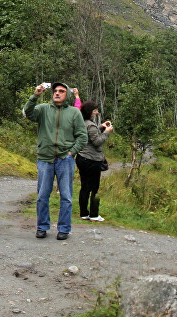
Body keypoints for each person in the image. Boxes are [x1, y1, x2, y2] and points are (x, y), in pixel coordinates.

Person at [24, 81, 88, 240]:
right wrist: (35, 96)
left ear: (67, 95)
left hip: (65, 159)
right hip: (45, 158)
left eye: (61, 91)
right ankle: (42, 227)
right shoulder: (43, 109)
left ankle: (64, 229)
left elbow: (82, 136)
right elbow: (28, 113)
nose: (57, 93)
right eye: (55, 91)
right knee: (42, 195)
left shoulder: (74, 112)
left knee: (66, 196)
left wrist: (71, 152)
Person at [77, 101, 113, 222]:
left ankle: (83, 213)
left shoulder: (83, 123)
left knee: (84, 186)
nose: (97, 112)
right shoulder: (90, 125)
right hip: (92, 160)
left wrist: (101, 127)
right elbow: (97, 141)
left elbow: (90, 135)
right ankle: (93, 214)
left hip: (82, 158)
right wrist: (107, 133)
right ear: (90, 112)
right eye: (95, 110)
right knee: (94, 188)